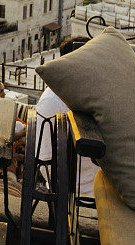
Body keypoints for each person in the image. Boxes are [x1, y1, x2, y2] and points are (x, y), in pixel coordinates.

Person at [34, 37, 99, 199]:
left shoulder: (96, 92)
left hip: (100, 184)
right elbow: (45, 159)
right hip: (80, 192)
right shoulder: (52, 102)